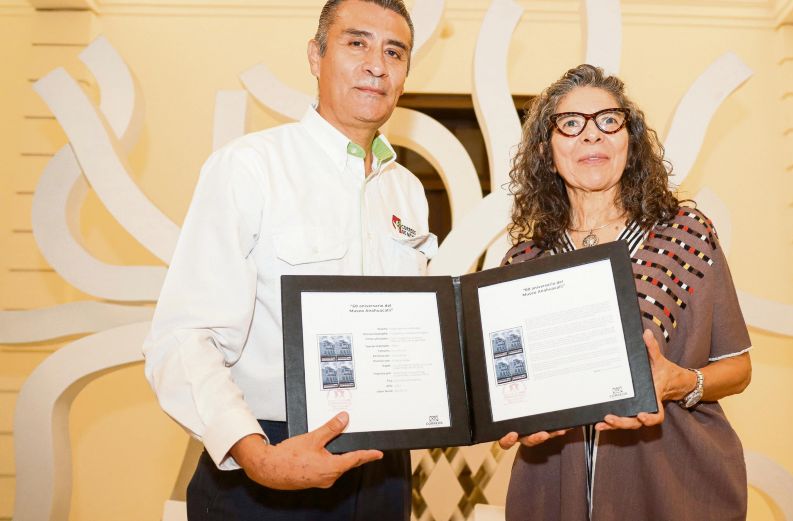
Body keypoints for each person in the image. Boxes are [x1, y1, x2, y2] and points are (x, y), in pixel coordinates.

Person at [142, 1, 435, 519]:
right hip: (266, 461)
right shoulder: (249, 168)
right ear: (315, 55)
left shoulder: (407, 191)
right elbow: (183, 337)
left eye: (395, 51)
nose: (377, 64)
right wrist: (256, 456)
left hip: (385, 468)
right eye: (357, 43)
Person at [497, 64, 753, 521]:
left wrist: (682, 382)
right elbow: (508, 387)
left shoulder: (686, 238)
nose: (591, 136)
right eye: (571, 124)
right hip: (552, 492)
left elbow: (737, 367)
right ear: (545, 148)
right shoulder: (523, 262)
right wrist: (516, 418)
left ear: (628, 139)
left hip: (672, 488)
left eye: (608, 120)